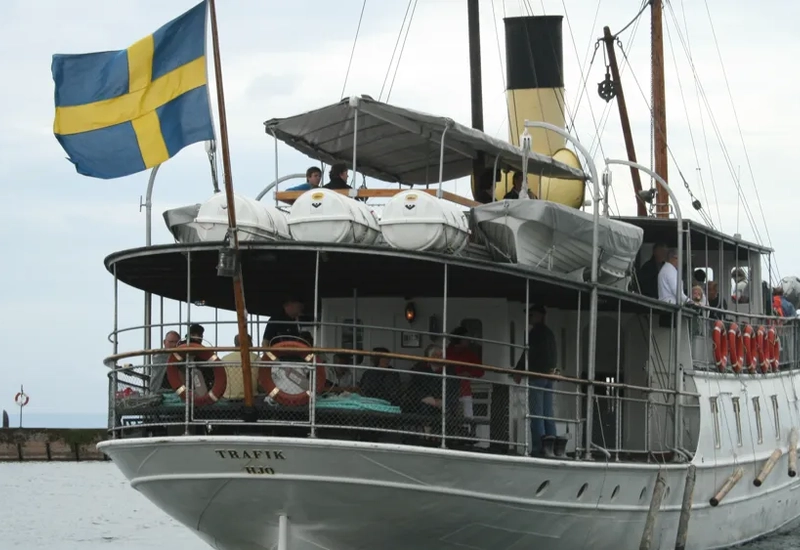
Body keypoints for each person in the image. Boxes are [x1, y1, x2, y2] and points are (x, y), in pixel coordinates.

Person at [514, 305, 558, 457]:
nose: (529, 318)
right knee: (548, 414)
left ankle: (540, 448)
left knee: (537, 414)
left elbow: (528, 353)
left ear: (540, 316)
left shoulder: (535, 333)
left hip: (537, 376)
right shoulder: (549, 333)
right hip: (549, 377)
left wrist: (518, 370)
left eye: (531, 315)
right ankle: (554, 447)